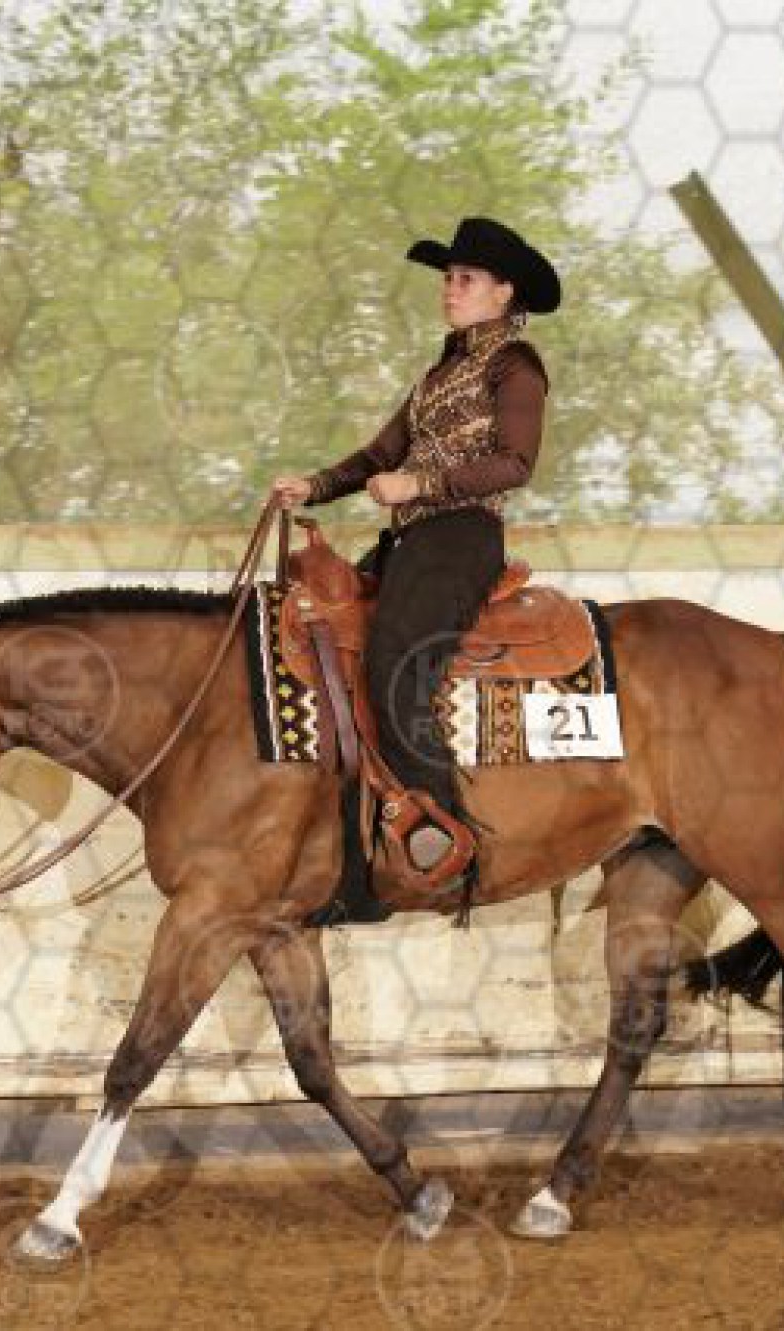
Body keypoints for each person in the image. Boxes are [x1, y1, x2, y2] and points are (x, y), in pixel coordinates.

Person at [271, 215, 559, 883]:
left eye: (466, 279)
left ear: (504, 292)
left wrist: (419, 483)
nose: (450, 289)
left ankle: (438, 831)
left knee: (395, 662)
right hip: (412, 541)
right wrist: (314, 485)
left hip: (462, 538)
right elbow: (380, 454)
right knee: (332, 645)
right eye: (448, 278)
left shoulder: (517, 367)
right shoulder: (440, 373)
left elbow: (515, 463)